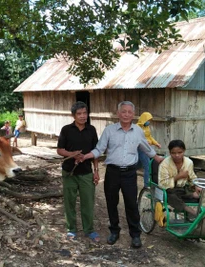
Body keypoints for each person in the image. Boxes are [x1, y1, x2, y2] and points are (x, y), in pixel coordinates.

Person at [83, 101, 163, 248]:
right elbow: (99, 149)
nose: (126, 114)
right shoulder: (109, 130)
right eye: (123, 111)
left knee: (131, 204)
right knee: (111, 203)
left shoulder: (138, 131)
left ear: (133, 114)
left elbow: (146, 148)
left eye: (129, 112)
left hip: (130, 173)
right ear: (118, 113)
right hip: (112, 172)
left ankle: (135, 234)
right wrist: (86, 156)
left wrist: (158, 158)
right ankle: (114, 231)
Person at [57, 101, 100, 242]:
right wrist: (72, 154)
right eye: (79, 114)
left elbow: (96, 152)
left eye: (85, 113)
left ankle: (89, 229)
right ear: (73, 115)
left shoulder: (91, 130)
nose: (83, 116)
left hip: (86, 172)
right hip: (69, 172)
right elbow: (59, 150)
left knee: (88, 202)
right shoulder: (66, 130)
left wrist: (96, 171)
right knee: (69, 202)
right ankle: (71, 229)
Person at [158, 139, 201, 218]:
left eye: (179, 152)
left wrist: (196, 186)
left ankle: (202, 215)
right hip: (168, 191)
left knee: (199, 194)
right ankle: (189, 211)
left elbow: (192, 177)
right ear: (170, 152)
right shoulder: (164, 164)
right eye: (173, 153)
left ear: (184, 151)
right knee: (171, 196)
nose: (177, 155)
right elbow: (162, 184)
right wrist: (178, 177)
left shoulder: (188, 162)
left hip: (182, 189)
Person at [137, 112, 161, 188]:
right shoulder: (137, 128)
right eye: (148, 120)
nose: (149, 122)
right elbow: (137, 139)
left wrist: (156, 143)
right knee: (147, 165)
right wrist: (144, 142)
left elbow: (149, 136)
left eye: (149, 120)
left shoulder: (147, 127)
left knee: (139, 165)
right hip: (141, 149)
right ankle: (146, 185)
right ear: (144, 119)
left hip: (148, 148)